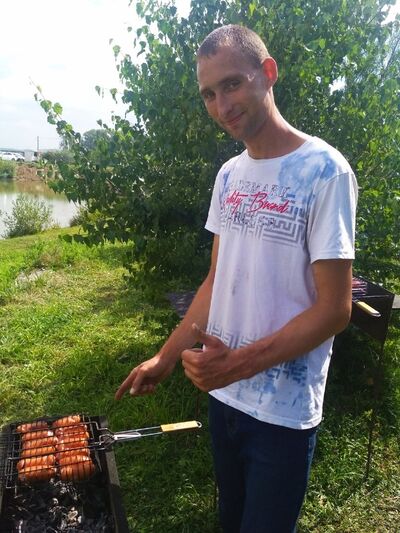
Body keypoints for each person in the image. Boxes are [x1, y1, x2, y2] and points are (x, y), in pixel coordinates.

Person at [115, 24, 358, 533]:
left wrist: (238, 364)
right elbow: (215, 280)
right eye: (209, 93)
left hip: (282, 414)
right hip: (225, 400)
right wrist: (165, 357)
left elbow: (334, 310)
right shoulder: (229, 175)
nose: (221, 106)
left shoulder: (325, 171)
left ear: (267, 73)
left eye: (231, 84)